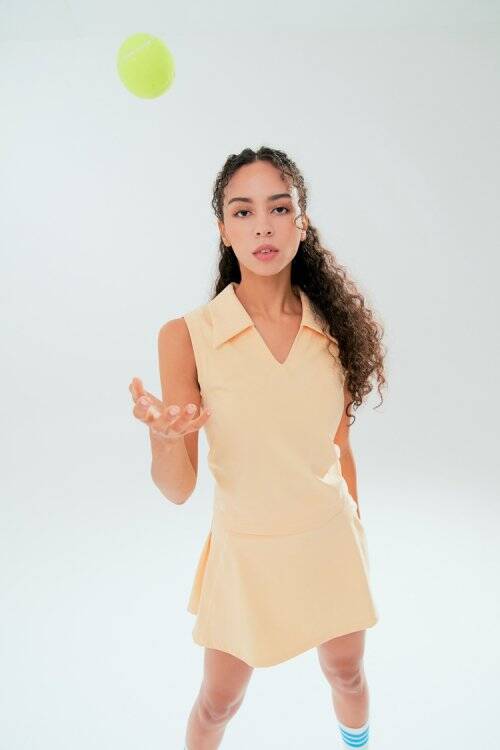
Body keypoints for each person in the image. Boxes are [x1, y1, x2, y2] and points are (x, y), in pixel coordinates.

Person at [129, 146, 386, 750]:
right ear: (223, 229)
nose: (263, 226)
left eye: (279, 208)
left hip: (328, 540)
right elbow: (178, 489)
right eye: (242, 212)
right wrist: (165, 439)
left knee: (347, 674)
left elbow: (340, 447)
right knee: (217, 703)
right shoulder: (187, 335)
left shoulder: (334, 330)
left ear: (302, 222)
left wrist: (355, 533)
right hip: (245, 553)